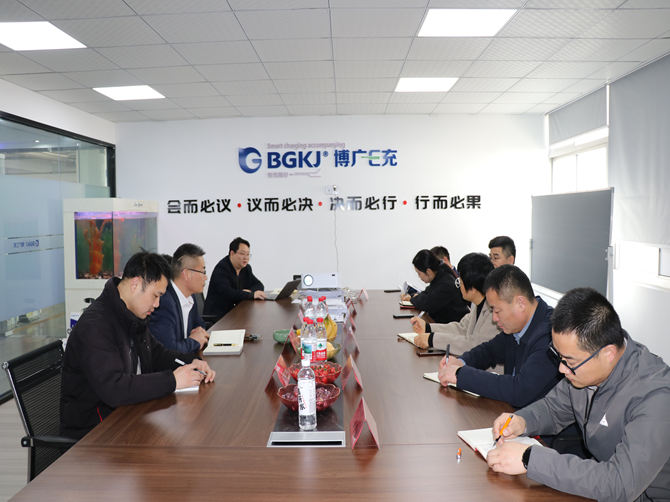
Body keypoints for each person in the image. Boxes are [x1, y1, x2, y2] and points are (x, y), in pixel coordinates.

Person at [487, 288, 670, 502]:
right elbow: (553, 408)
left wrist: (530, 459)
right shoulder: (584, 372)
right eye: (558, 357)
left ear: (608, 354)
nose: (561, 369)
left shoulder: (656, 397)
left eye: (569, 361)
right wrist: (521, 420)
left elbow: (619, 483)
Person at [60, 252, 215, 440]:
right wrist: (172, 380)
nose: (157, 304)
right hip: (93, 435)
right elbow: (114, 388)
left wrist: (192, 362)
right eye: (155, 296)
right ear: (135, 284)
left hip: (128, 417)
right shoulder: (96, 325)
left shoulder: (132, 314)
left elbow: (157, 354)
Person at [437, 265, 560, 408]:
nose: (494, 318)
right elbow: (489, 351)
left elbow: (520, 391)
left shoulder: (552, 334)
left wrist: (460, 375)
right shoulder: (516, 326)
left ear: (520, 303)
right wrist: (460, 362)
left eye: (497, 310)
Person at [411, 252, 498, 355]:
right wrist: (428, 328)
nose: (458, 286)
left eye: (460, 282)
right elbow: (461, 328)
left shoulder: (494, 313)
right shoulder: (478, 305)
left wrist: (431, 339)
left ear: (473, 288)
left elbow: (473, 345)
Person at [149, 243, 210, 353]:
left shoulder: (190, 297)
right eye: (203, 272)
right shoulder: (164, 302)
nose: (205, 277)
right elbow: (170, 350)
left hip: (188, 357)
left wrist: (198, 334)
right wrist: (194, 342)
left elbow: (199, 325)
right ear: (187, 274)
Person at [203, 237, 265, 321]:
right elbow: (228, 293)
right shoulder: (222, 268)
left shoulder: (246, 268)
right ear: (232, 253)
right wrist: (250, 295)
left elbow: (259, 285)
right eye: (242, 254)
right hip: (218, 318)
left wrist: (250, 292)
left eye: (248, 254)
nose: (246, 258)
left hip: (235, 313)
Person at [400, 249, 469, 324]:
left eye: (419, 273)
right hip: (445, 322)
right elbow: (428, 292)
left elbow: (427, 303)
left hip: (455, 326)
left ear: (428, 271)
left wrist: (412, 298)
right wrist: (414, 296)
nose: (419, 277)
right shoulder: (440, 274)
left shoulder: (446, 282)